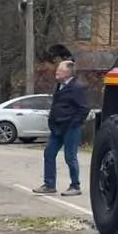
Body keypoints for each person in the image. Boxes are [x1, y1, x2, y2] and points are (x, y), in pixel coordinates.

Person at [34, 60, 89, 196]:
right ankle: (49, 184)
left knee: (70, 157)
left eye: (60, 69)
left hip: (70, 128)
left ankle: (75, 186)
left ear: (68, 72)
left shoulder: (77, 87)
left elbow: (84, 108)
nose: (56, 71)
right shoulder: (59, 86)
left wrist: (74, 123)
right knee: (49, 153)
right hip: (57, 127)